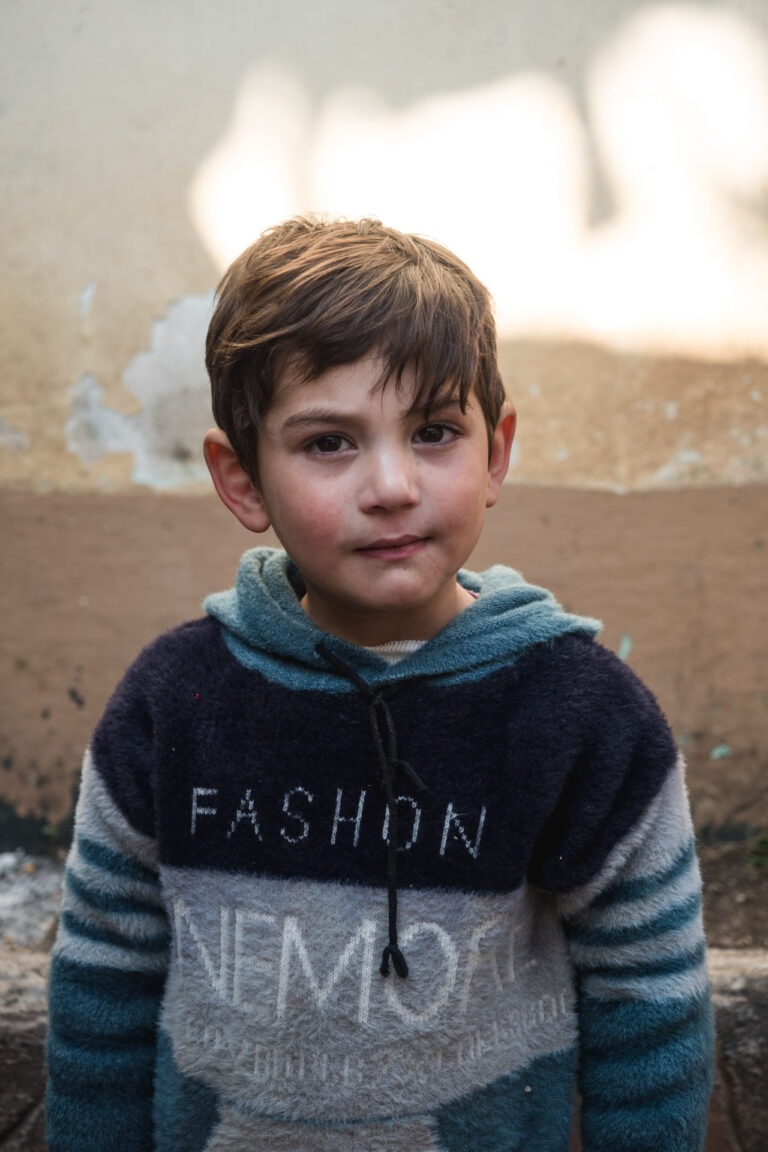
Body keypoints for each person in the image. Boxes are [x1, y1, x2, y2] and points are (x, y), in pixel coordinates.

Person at [46, 217, 714, 1151]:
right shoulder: (170, 704)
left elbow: (649, 1006)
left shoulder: (580, 715)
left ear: (496, 453)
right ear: (242, 481)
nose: (392, 485)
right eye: (329, 442)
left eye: (435, 431)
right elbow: (102, 991)